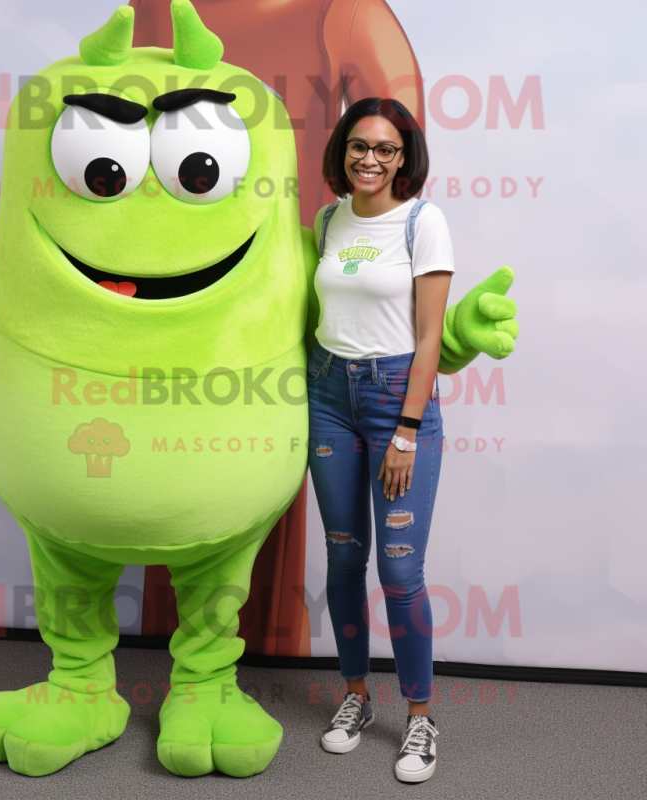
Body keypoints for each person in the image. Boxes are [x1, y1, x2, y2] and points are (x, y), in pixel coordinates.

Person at [307, 97, 453, 783]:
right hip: (329, 395)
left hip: (397, 400)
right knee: (342, 563)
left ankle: (419, 717)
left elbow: (429, 336)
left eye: (385, 149)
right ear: (342, 150)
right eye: (359, 146)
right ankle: (356, 697)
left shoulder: (424, 221)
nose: (370, 159)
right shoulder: (328, 219)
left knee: (399, 573)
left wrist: (407, 431)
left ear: (404, 157)